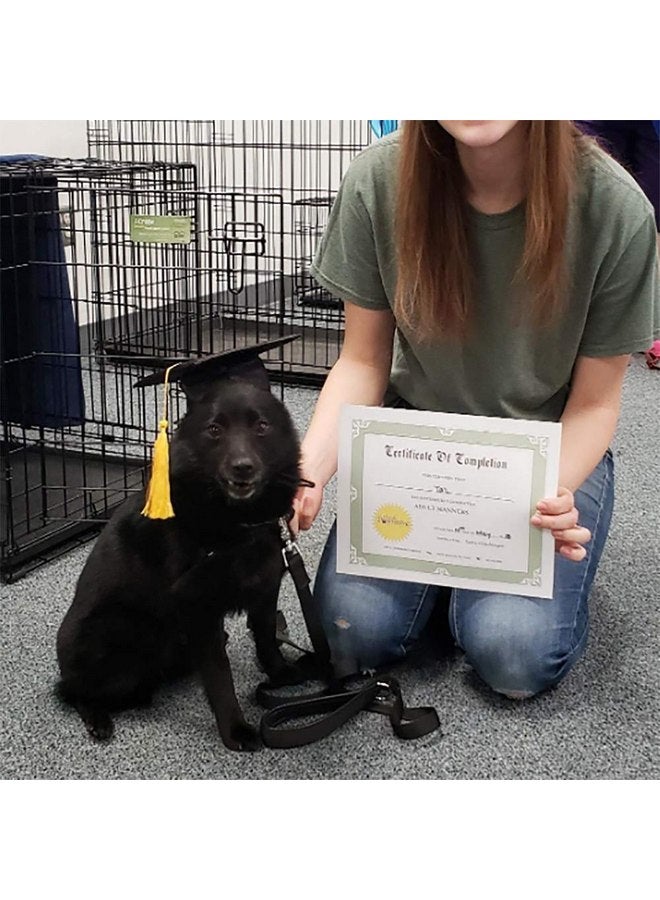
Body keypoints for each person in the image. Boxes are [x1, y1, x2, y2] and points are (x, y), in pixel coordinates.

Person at [293, 120, 660, 699]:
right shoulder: (378, 179)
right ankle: (452, 578)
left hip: (545, 447)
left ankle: (462, 588)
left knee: (513, 656)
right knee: (350, 637)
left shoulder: (615, 209)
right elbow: (363, 363)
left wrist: (550, 493)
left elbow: (595, 404)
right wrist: (308, 469)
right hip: (414, 447)